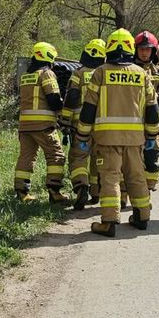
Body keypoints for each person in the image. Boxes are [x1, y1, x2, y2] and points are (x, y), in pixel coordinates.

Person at [75, 29, 159, 236]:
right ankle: (142, 217)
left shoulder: (100, 72)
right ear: (131, 48)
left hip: (106, 138)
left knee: (110, 178)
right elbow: (152, 109)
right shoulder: (141, 74)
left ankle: (109, 222)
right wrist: (151, 135)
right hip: (135, 139)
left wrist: (82, 136)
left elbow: (88, 109)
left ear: (109, 47)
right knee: (137, 176)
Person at [15, 42, 70, 204]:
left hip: (24, 126)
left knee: (26, 157)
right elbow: (53, 99)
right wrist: (62, 114)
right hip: (43, 125)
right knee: (56, 156)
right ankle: (55, 191)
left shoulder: (25, 76)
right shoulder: (46, 74)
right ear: (49, 57)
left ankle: (22, 193)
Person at [60, 39, 107, 210]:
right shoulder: (104, 74)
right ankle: (96, 193)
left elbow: (71, 98)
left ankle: (81, 186)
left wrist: (65, 121)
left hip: (80, 124)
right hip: (101, 125)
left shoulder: (78, 73)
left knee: (78, 157)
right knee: (97, 158)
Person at [134, 30, 159, 191]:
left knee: (152, 154)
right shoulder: (129, 70)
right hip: (134, 121)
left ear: (152, 51)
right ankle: (129, 190)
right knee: (132, 157)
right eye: (142, 49)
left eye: (148, 49)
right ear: (136, 50)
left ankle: (149, 186)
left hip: (154, 121)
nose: (144, 53)